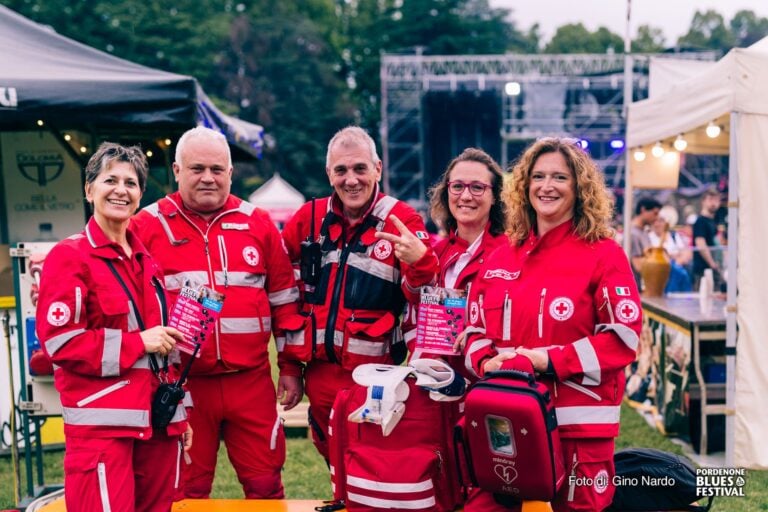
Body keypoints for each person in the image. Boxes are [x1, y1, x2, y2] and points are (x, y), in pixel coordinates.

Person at [462, 137, 642, 511]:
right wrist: (484, 362)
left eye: (560, 177)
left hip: (579, 432)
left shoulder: (604, 254)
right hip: (506, 423)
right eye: (538, 176)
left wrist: (547, 360)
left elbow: (622, 340)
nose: (547, 186)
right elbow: (473, 329)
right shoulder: (501, 255)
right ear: (524, 185)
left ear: (579, 187)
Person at [131, 127, 301, 499]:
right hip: (182, 383)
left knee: (265, 485)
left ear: (230, 173)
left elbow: (285, 301)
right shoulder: (145, 225)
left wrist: (289, 367)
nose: (208, 177)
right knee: (186, 491)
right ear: (176, 170)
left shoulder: (258, 223)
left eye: (217, 169)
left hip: (251, 382)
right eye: (197, 169)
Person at [36, 143, 189, 512]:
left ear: (139, 195)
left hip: (157, 423)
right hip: (101, 431)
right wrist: (138, 343)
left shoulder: (146, 260)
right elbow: (60, 343)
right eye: (110, 180)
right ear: (89, 189)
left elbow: (164, 344)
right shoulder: (69, 257)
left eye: (131, 183)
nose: (121, 190)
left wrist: (182, 413)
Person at [281, 126, 439, 461]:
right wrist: (290, 369)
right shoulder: (307, 219)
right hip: (320, 377)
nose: (351, 180)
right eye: (341, 170)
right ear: (329, 174)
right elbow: (286, 296)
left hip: (376, 379)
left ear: (378, 169)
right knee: (333, 463)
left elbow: (422, 299)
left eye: (360, 169)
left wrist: (422, 264)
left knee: (371, 465)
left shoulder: (402, 219)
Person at [403, 148, 508, 370]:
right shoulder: (433, 254)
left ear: (495, 196)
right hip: (436, 388)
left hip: (488, 385)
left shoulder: (511, 255)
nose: (466, 196)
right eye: (458, 186)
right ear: (446, 192)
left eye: (478, 187)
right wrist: (431, 362)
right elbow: (413, 319)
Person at [648, 208, 692, 293]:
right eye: (655, 221)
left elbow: (686, 253)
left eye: (660, 221)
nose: (657, 224)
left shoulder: (674, 236)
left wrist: (676, 261)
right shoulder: (648, 237)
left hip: (677, 272)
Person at [692, 187, 723, 289]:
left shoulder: (714, 221)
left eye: (716, 200)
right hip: (703, 270)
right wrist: (712, 263)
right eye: (710, 199)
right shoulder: (700, 221)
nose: (713, 203)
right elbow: (700, 243)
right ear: (703, 201)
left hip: (713, 267)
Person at [629, 196, 661, 292]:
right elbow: (638, 265)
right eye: (655, 213)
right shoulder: (632, 234)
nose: (656, 218)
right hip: (634, 288)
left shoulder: (643, 232)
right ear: (643, 210)